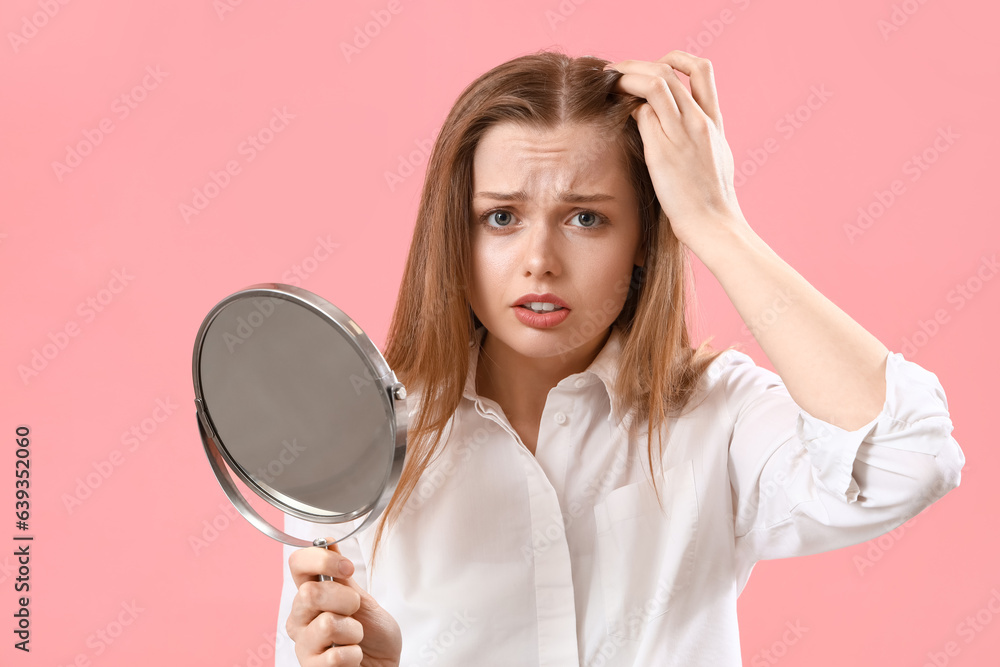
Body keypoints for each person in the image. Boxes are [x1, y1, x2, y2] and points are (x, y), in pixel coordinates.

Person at [274, 49, 966, 667]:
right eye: (502, 217)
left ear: (644, 237)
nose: (539, 262)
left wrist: (715, 221)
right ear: (454, 235)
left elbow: (913, 458)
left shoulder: (717, 416)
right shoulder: (358, 449)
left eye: (586, 217)